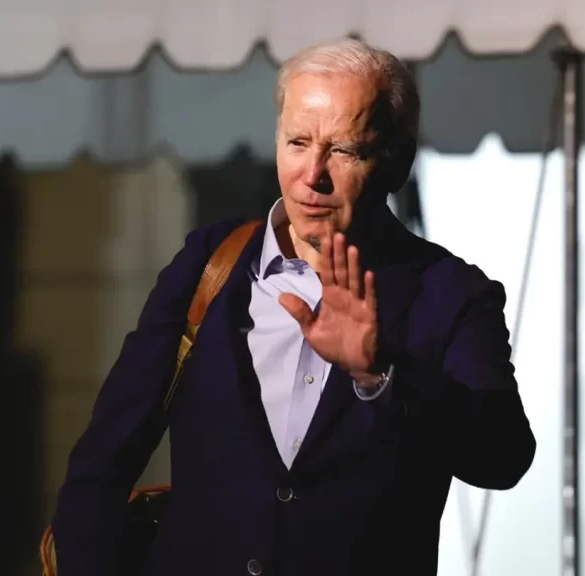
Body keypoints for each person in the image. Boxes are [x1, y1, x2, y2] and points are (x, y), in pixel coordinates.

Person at [52, 38, 536, 576]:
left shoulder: (450, 294)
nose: (313, 174)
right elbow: (103, 461)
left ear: (396, 161)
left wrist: (383, 372)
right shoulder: (208, 267)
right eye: (298, 142)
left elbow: (504, 456)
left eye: (344, 150)